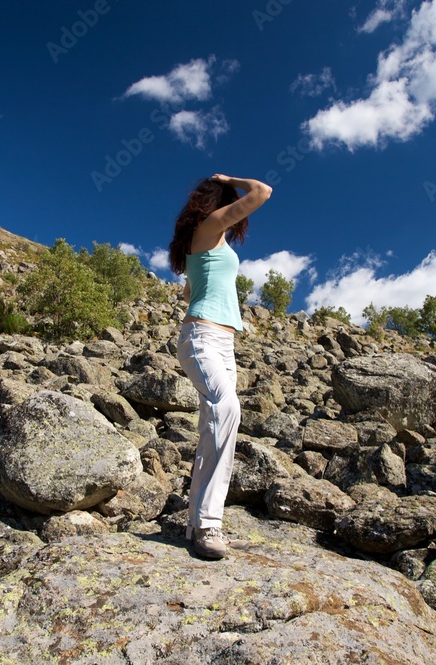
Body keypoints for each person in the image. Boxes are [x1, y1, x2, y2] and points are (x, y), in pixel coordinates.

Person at [168, 173, 273, 559]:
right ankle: (208, 524)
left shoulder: (213, 240)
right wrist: (229, 178)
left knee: (219, 426)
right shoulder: (209, 225)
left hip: (223, 344)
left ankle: (201, 525)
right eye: (229, 198)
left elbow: (190, 290)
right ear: (216, 201)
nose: (235, 207)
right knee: (226, 410)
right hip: (202, 339)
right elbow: (262, 191)